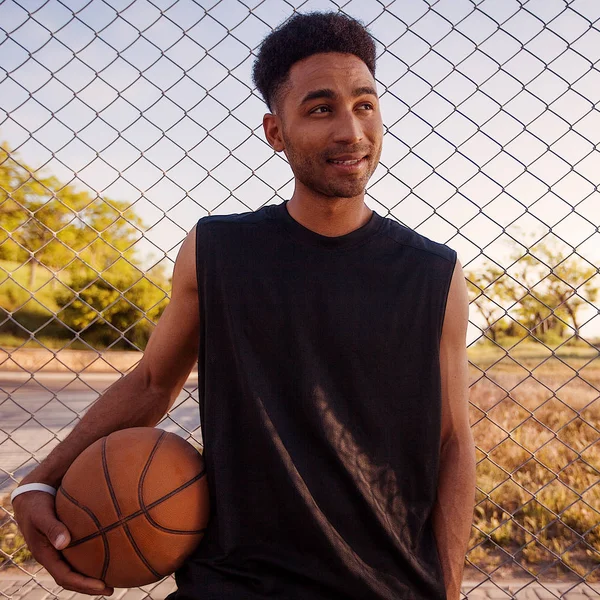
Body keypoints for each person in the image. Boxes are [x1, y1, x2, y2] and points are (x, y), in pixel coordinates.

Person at [12, 11, 476, 600]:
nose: (351, 132)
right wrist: (37, 484)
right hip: (234, 583)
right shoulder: (218, 250)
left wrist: (450, 590)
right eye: (320, 108)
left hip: (386, 585)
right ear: (275, 132)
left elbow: (453, 443)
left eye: (365, 105)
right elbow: (154, 380)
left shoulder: (432, 273)